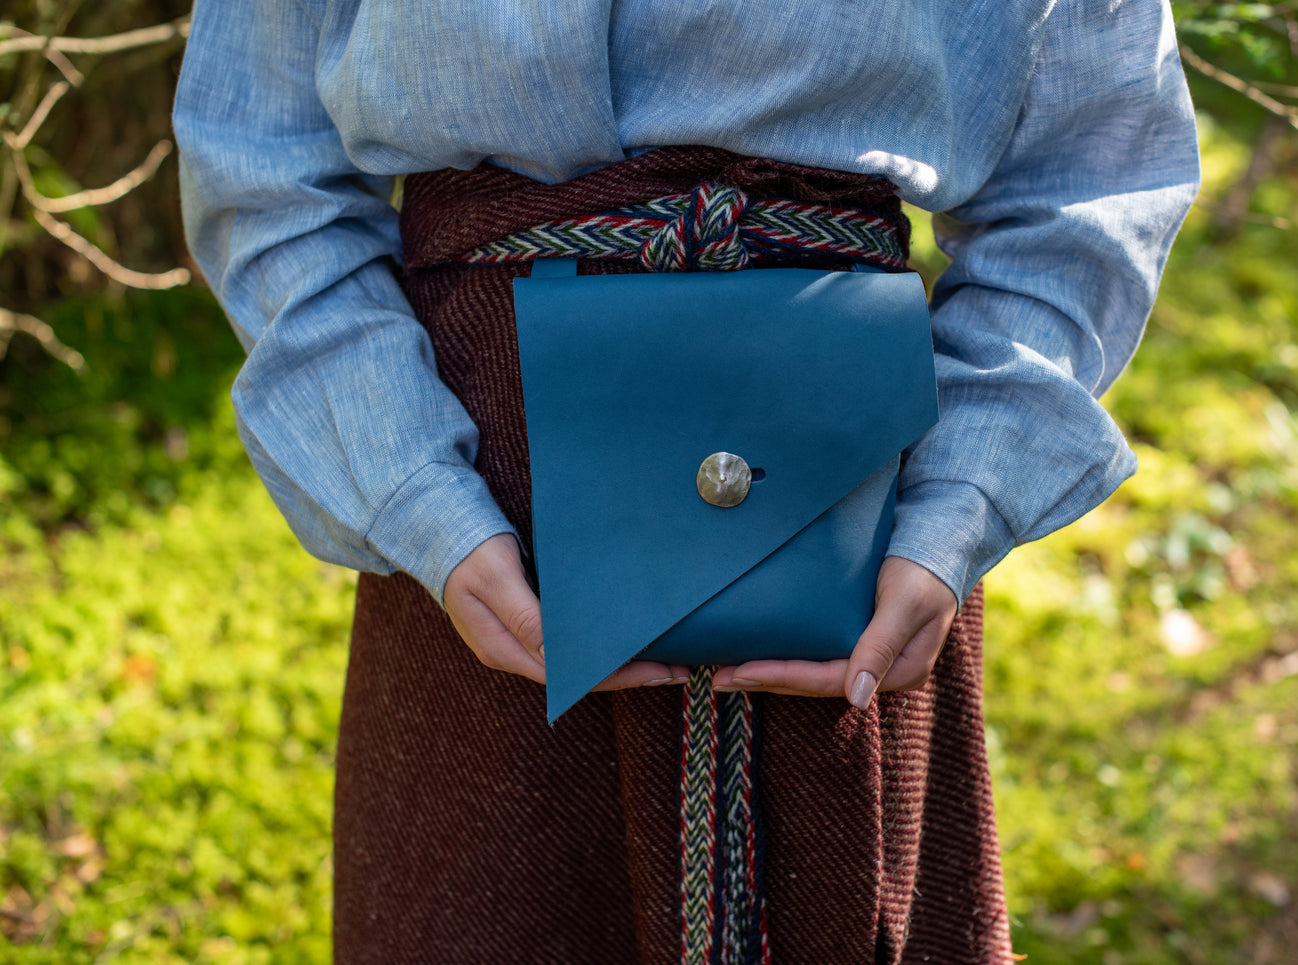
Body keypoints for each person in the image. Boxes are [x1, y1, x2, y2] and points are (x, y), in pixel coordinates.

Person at [173, 2, 1200, 962]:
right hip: (480, 485)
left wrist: (959, 498)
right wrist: (410, 490)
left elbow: (1088, 176)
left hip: (848, 498)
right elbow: (263, 166)